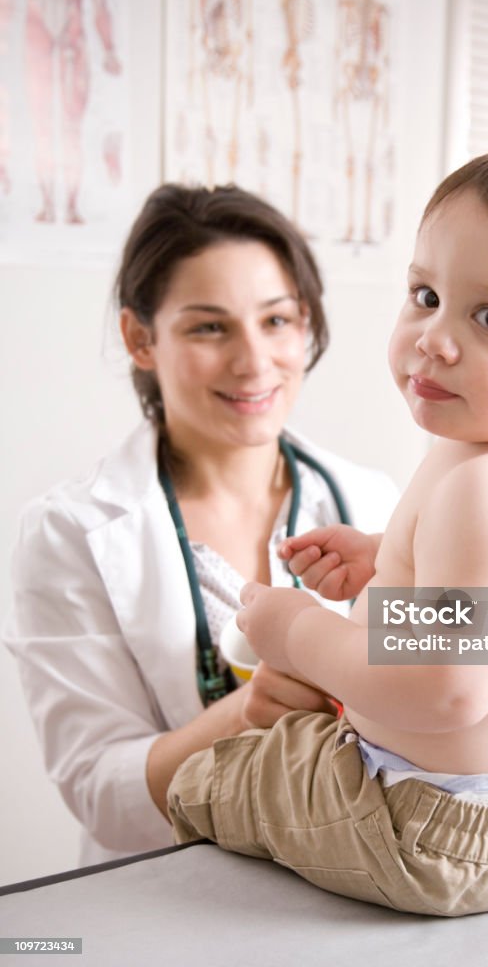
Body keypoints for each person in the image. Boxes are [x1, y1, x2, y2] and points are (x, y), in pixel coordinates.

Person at [167, 145, 488, 916]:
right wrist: (385, 563)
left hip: (437, 832)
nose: (434, 338)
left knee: (210, 781)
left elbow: (445, 693)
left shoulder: (482, 484)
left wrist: (299, 632)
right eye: (425, 294)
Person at [3, 183, 398, 867]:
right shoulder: (69, 533)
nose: (253, 361)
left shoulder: (370, 500)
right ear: (140, 338)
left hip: (357, 875)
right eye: (209, 327)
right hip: (173, 893)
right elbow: (99, 792)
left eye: (276, 320)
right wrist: (243, 716)